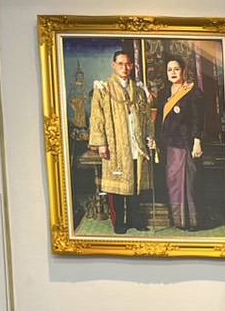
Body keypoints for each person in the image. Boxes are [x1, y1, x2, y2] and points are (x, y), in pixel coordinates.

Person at [87, 49, 154, 234]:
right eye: (121, 64)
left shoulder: (138, 90)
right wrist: (101, 143)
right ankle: (118, 222)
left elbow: (147, 117)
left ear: (132, 66)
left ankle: (135, 219)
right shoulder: (104, 89)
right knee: (116, 186)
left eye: (128, 64)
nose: (125, 68)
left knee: (135, 183)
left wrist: (149, 136)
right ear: (114, 65)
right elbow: (97, 117)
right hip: (115, 144)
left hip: (135, 143)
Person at [155, 56, 204, 231]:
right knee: (173, 183)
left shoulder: (192, 91)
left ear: (183, 71)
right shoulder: (163, 93)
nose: (173, 73)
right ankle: (178, 220)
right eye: (169, 70)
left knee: (187, 183)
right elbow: (159, 120)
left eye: (176, 69)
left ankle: (190, 221)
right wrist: (155, 140)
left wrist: (197, 141)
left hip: (185, 144)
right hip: (167, 145)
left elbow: (198, 119)